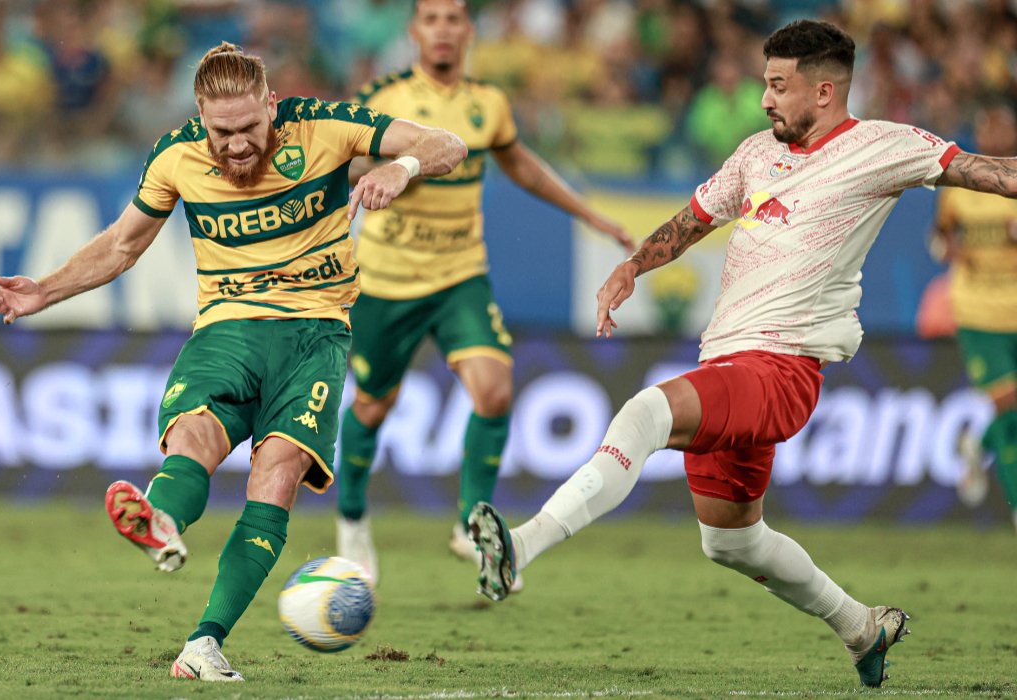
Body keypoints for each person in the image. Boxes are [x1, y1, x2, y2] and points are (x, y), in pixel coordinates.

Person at [467, 19, 1017, 688]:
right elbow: (696, 217)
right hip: (730, 360)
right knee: (730, 538)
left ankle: (520, 548)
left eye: (778, 86)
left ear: (823, 90)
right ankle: (861, 627)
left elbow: (987, 172)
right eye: (764, 84)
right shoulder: (758, 153)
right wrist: (632, 268)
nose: (765, 99)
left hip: (782, 368)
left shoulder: (883, 147)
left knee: (646, 412)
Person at [0, 42, 466, 682]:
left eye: (248, 128)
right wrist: (46, 289)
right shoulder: (176, 157)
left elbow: (450, 144)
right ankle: (159, 520)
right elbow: (123, 245)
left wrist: (401, 167)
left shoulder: (325, 126)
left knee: (278, 475)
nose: (236, 145)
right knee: (193, 435)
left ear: (271, 105)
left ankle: (204, 644)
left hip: (315, 335)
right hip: (227, 329)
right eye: (221, 132)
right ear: (200, 117)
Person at [333, 0, 632, 584]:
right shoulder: (383, 98)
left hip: (459, 277)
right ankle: (351, 525)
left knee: (494, 390)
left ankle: (472, 527)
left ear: (468, 32)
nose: (443, 29)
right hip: (386, 281)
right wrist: (390, 167)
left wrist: (590, 216)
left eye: (453, 19)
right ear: (415, 31)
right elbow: (340, 163)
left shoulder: (488, 103)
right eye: (432, 18)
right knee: (372, 405)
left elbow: (522, 166)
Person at [929, 101, 1017, 531]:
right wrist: (954, 250)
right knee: (1008, 405)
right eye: (989, 125)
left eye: (1003, 126)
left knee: (1011, 413)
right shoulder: (960, 187)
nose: (996, 134)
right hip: (978, 311)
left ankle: (975, 444)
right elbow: (938, 242)